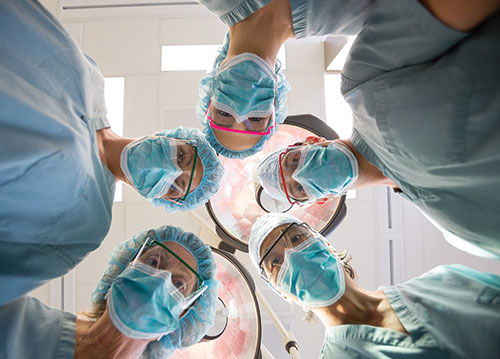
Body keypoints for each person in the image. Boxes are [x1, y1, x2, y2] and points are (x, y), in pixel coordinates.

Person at [0, 0, 224, 306]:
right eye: (182, 157)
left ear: (160, 199)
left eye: (175, 187)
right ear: (168, 136)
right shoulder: (89, 79)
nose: (170, 171)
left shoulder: (84, 227)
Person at [248, 212, 500, 359]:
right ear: (283, 294)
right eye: (276, 261)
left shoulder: (446, 283)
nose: (294, 255)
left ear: (328, 246)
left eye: (296, 237)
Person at [256, 127, 500, 259]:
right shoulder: (453, 224)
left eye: (294, 160)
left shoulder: (376, 101)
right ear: (323, 198)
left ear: (313, 139)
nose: (300, 175)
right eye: (298, 189)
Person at [0, 225, 220, 359]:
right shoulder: (18, 320)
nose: (160, 280)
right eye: (153, 261)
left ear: (182, 317)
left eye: (179, 284)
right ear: (123, 269)